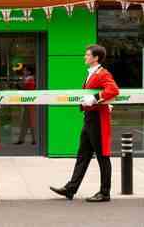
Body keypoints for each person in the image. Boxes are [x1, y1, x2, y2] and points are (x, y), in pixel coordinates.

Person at [50, 44, 119, 202]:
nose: (84, 57)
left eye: (87, 55)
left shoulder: (102, 73)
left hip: (98, 120)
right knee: (83, 155)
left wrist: (95, 97)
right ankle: (71, 188)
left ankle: (105, 192)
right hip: (89, 119)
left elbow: (113, 90)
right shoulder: (91, 73)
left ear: (96, 58)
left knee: (102, 156)